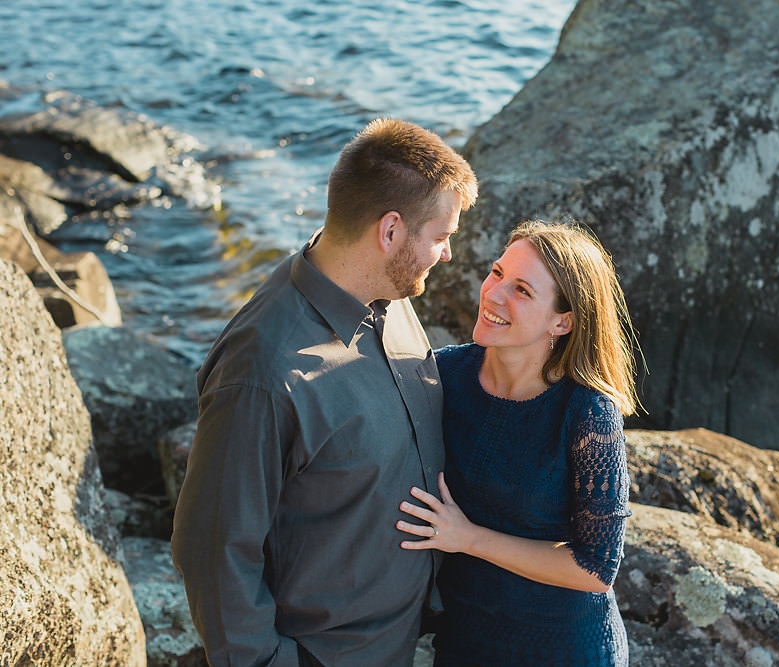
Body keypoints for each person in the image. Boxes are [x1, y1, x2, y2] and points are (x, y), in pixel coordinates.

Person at [171, 118, 478, 666]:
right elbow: (212, 550)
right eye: (441, 236)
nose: (447, 254)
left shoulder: (389, 294)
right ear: (390, 232)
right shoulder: (263, 371)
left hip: (410, 640)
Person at [396, 219, 639, 666]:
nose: (493, 293)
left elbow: (597, 568)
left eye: (522, 290)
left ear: (562, 321)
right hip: (463, 643)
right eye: (497, 272)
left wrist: (468, 538)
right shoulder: (441, 375)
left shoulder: (586, 412)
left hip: (566, 650)